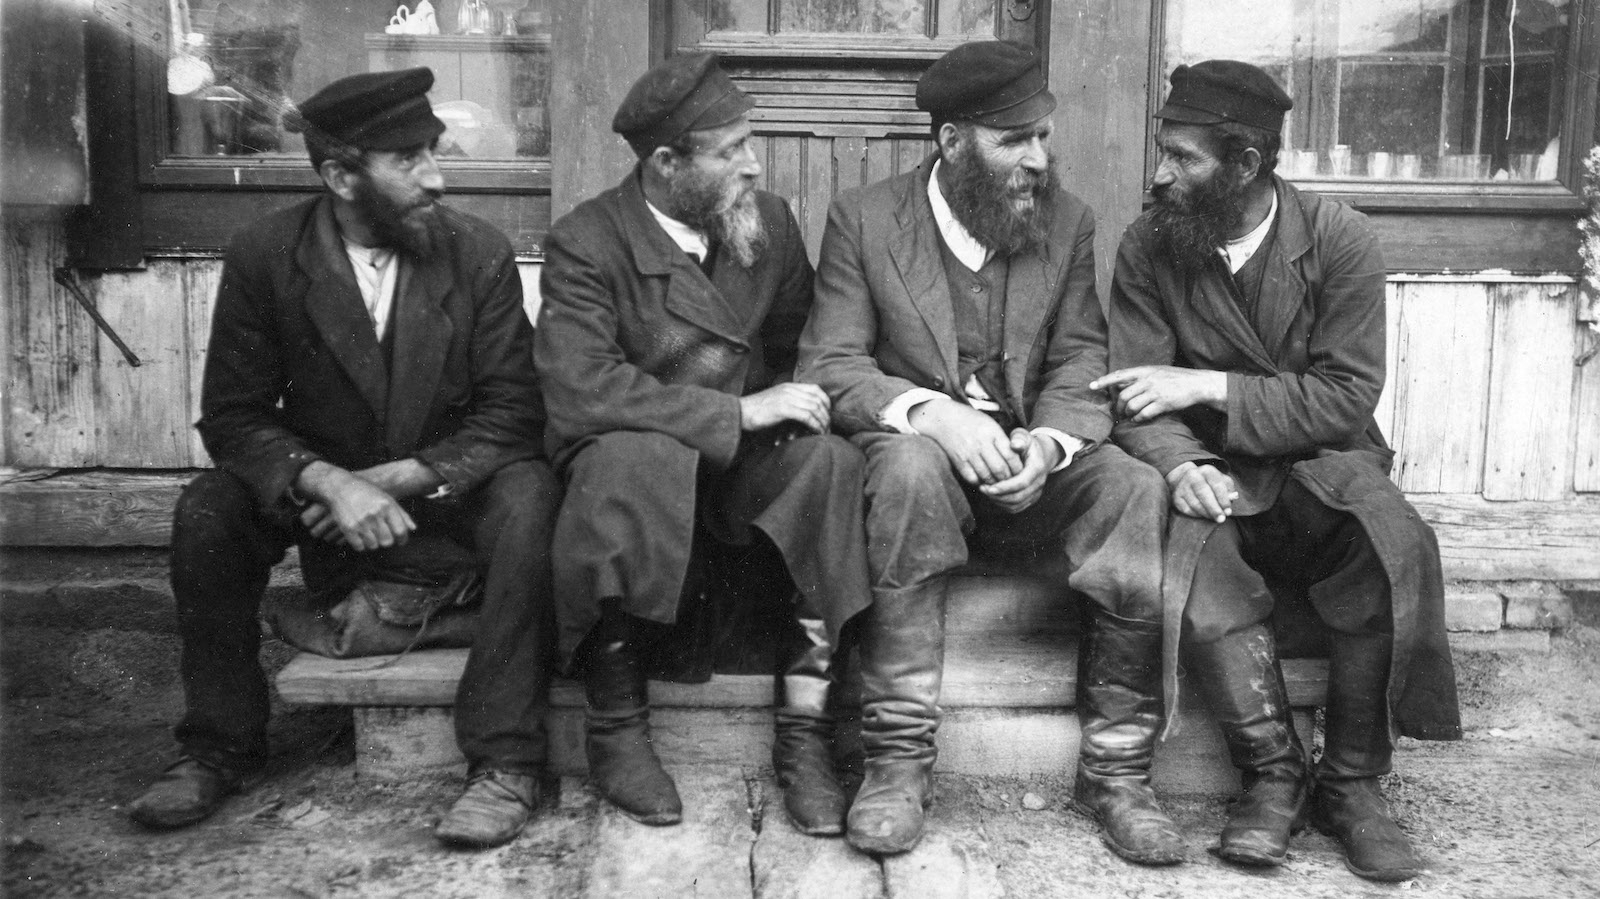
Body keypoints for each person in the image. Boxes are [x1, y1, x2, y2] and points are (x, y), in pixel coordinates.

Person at [127, 68, 562, 851]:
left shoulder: (479, 253)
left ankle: (505, 760)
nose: (435, 176)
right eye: (408, 160)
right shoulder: (267, 254)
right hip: (322, 501)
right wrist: (323, 479)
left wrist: (398, 479)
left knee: (531, 493)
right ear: (339, 176)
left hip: (441, 490)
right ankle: (217, 746)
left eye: (432, 151)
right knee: (209, 509)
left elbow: (514, 411)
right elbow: (233, 414)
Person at [799, 40, 1182, 862]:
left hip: (1030, 475)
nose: (1039, 159)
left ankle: (1116, 771)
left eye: (1044, 136)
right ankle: (896, 764)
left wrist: (1050, 439)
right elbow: (831, 364)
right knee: (905, 463)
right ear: (951, 143)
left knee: (1133, 486)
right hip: (922, 478)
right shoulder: (863, 219)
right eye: (1016, 140)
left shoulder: (1068, 222)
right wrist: (933, 414)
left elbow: (1084, 356)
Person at [1095, 60, 1462, 881]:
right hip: (1216, 471)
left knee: (1391, 539)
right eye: (1164, 151)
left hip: (1322, 466)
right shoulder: (1149, 245)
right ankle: (1274, 776)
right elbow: (1132, 395)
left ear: (1247, 165)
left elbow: (1345, 396)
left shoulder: (1340, 239)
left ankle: (1354, 785)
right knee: (1196, 558)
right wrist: (1182, 461)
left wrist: (1211, 385)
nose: (1160, 173)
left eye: (1182, 158)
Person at [534, 53, 872, 834]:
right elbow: (579, 389)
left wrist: (784, 411)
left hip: (742, 493)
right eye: (731, 151)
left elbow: (800, 347)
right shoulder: (587, 241)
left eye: (749, 145)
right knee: (623, 456)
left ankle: (806, 735)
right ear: (665, 163)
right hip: (643, 499)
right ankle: (617, 730)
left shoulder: (770, 223)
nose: (753, 165)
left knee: (830, 462)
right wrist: (737, 413)